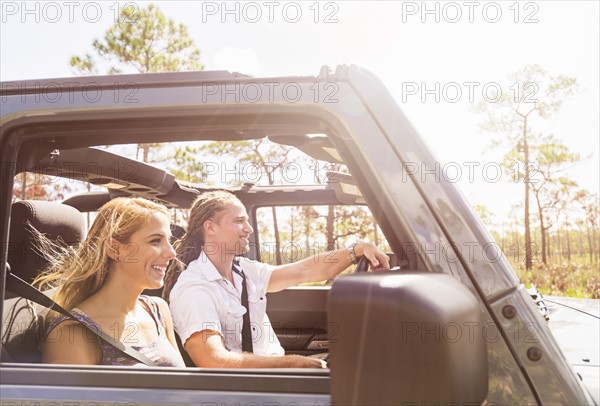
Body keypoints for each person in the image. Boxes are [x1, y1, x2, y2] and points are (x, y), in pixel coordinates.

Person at [164, 190, 389, 368]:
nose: (249, 229)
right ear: (210, 228)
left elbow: (305, 271)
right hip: (253, 389)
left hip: (275, 375)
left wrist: (356, 251)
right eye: (239, 221)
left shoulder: (244, 270)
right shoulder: (194, 288)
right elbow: (213, 360)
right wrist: (292, 363)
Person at [37, 197, 186, 367]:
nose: (172, 252)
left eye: (168, 240)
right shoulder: (72, 335)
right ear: (114, 249)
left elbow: (187, 388)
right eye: (155, 240)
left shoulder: (158, 310)